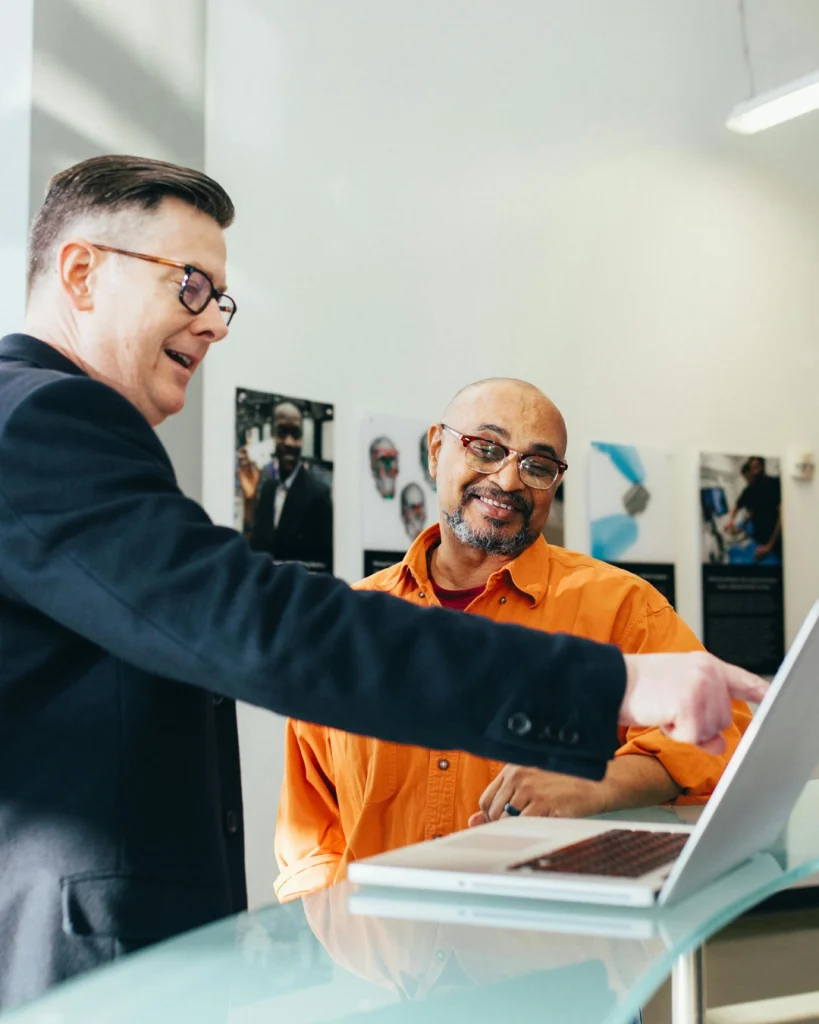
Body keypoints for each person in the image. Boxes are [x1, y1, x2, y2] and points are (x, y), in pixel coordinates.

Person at [0, 155, 764, 1010]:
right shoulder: (43, 420)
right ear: (80, 271)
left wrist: (605, 776)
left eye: (221, 300)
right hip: (119, 961)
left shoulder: (618, 601)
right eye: (191, 287)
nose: (214, 323)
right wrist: (612, 685)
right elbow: (256, 630)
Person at [274, 380, 752, 901]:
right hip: (381, 963)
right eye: (486, 447)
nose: (507, 479)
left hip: (550, 958)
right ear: (436, 450)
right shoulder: (353, 623)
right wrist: (339, 947)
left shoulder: (621, 607)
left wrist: (597, 783)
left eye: (538, 465)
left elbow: (725, 736)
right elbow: (311, 831)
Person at [239, 402, 333, 573]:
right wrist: (250, 501)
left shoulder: (318, 495)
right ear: (273, 436)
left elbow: (324, 568)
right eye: (282, 433)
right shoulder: (267, 489)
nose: (289, 442)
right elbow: (254, 552)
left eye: (295, 434)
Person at [726, 456, 782, 563]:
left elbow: (782, 517)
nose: (755, 471)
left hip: (775, 542)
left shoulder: (775, 484)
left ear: (763, 467)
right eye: (753, 468)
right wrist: (731, 521)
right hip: (758, 541)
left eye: (757, 467)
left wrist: (769, 546)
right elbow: (738, 506)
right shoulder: (750, 490)